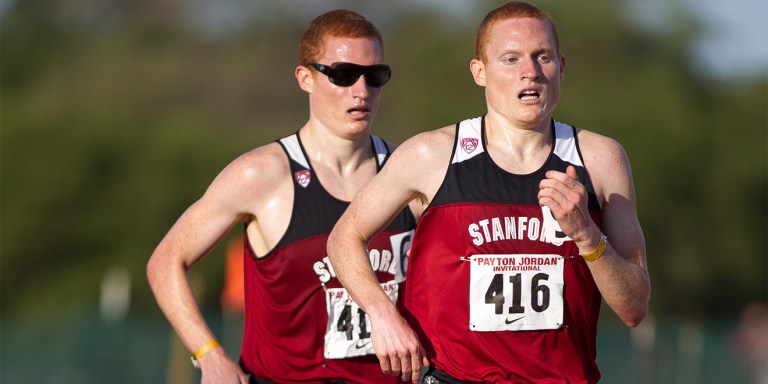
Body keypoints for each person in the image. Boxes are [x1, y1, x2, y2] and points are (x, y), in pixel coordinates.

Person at [327, 2, 651, 383]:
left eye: (541, 57)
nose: (529, 73)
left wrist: (587, 235)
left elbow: (634, 307)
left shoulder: (599, 159)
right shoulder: (431, 154)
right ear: (479, 72)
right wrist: (382, 315)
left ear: (561, 67)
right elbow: (344, 237)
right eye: (510, 59)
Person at [147, 9, 420, 384]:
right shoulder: (261, 175)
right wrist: (208, 355)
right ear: (305, 78)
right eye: (343, 75)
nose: (361, 90)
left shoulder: (408, 172)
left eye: (375, 76)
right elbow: (165, 262)